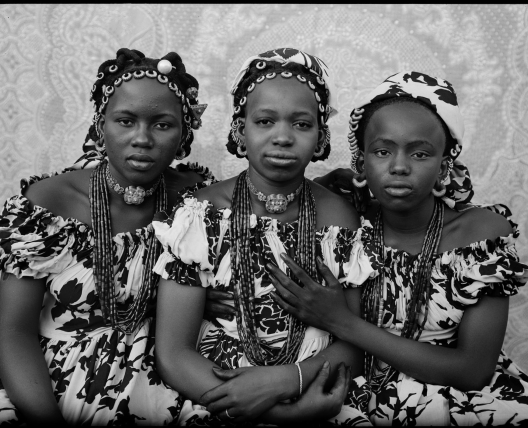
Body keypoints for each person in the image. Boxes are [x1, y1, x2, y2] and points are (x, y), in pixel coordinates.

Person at [269, 71, 528, 425]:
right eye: (382, 151)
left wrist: (342, 322)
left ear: (444, 166)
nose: (399, 167)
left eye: (420, 154)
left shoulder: (481, 236)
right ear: (361, 162)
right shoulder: (344, 224)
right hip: (352, 391)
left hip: (453, 398)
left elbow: (473, 371)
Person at [152, 48, 375, 426]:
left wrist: (288, 380)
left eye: (301, 124)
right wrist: (277, 413)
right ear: (241, 129)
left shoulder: (338, 219)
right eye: (265, 121)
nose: (282, 137)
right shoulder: (201, 214)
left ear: (321, 136)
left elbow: (355, 345)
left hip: (310, 382)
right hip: (214, 385)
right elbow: (173, 353)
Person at [0, 48, 216, 425]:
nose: (142, 139)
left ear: (184, 133)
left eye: (162, 125)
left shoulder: (195, 202)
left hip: (162, 380)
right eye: (125, 121)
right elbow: (12, 332)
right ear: (102, 126)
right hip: (51, 384)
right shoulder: (48, 204)